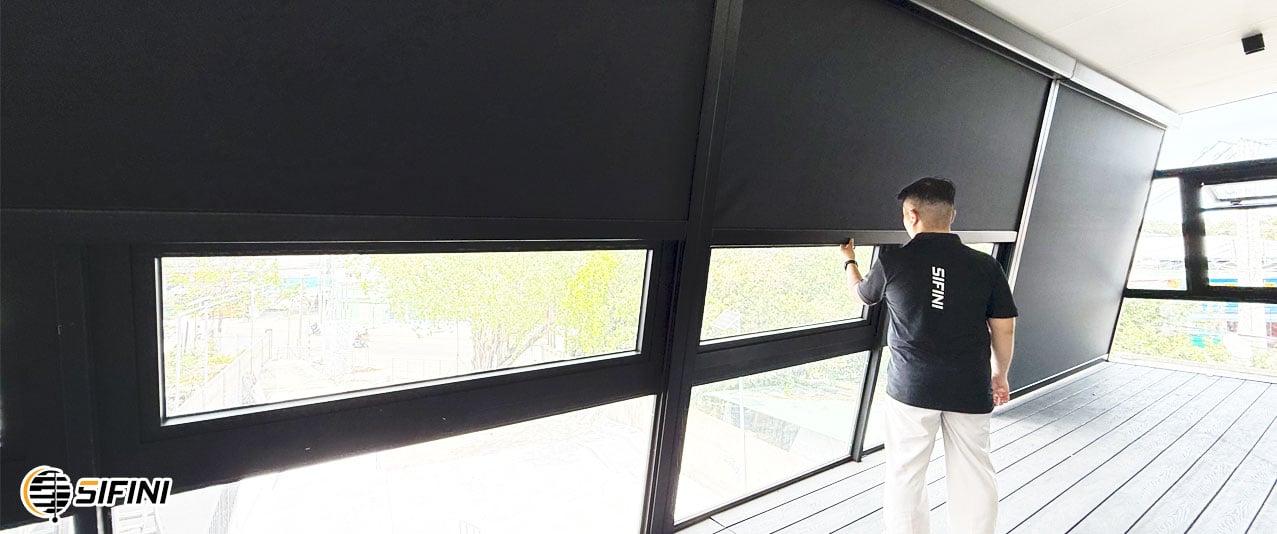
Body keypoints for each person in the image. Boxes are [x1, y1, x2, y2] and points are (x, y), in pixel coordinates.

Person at [839, 177, 1017, 534]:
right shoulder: (986, 266)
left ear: (912, 215)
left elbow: (863, 295)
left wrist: (849, 261)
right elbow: (1004, 328)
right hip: (969, 386)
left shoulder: (893, 262)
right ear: (952, 215)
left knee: (905, 474)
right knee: (974, 472)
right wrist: (1000, 374)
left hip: (912, 388)